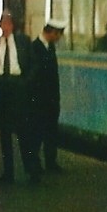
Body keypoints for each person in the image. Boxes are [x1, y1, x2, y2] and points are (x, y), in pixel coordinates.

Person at [0, 11, 40, 184]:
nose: (5, 27)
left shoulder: (23, 41)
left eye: (8, 24)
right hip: (1, 88)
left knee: (24, 132)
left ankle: (31, 170)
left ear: (13, 25)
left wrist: (25, 82)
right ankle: (8, 172)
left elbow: (34, 64)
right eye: (3, 23)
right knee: (4, 134)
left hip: (18, 87)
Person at [31, 18, 65, 172]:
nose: (58, 39)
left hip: (51, 100)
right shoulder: (34, 48)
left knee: (51, 132)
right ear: (51, 32)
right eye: (58, 35)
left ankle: (51, 162)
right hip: (38, 100)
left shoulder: (50, 47)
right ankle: (35, 163)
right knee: (36, 133)